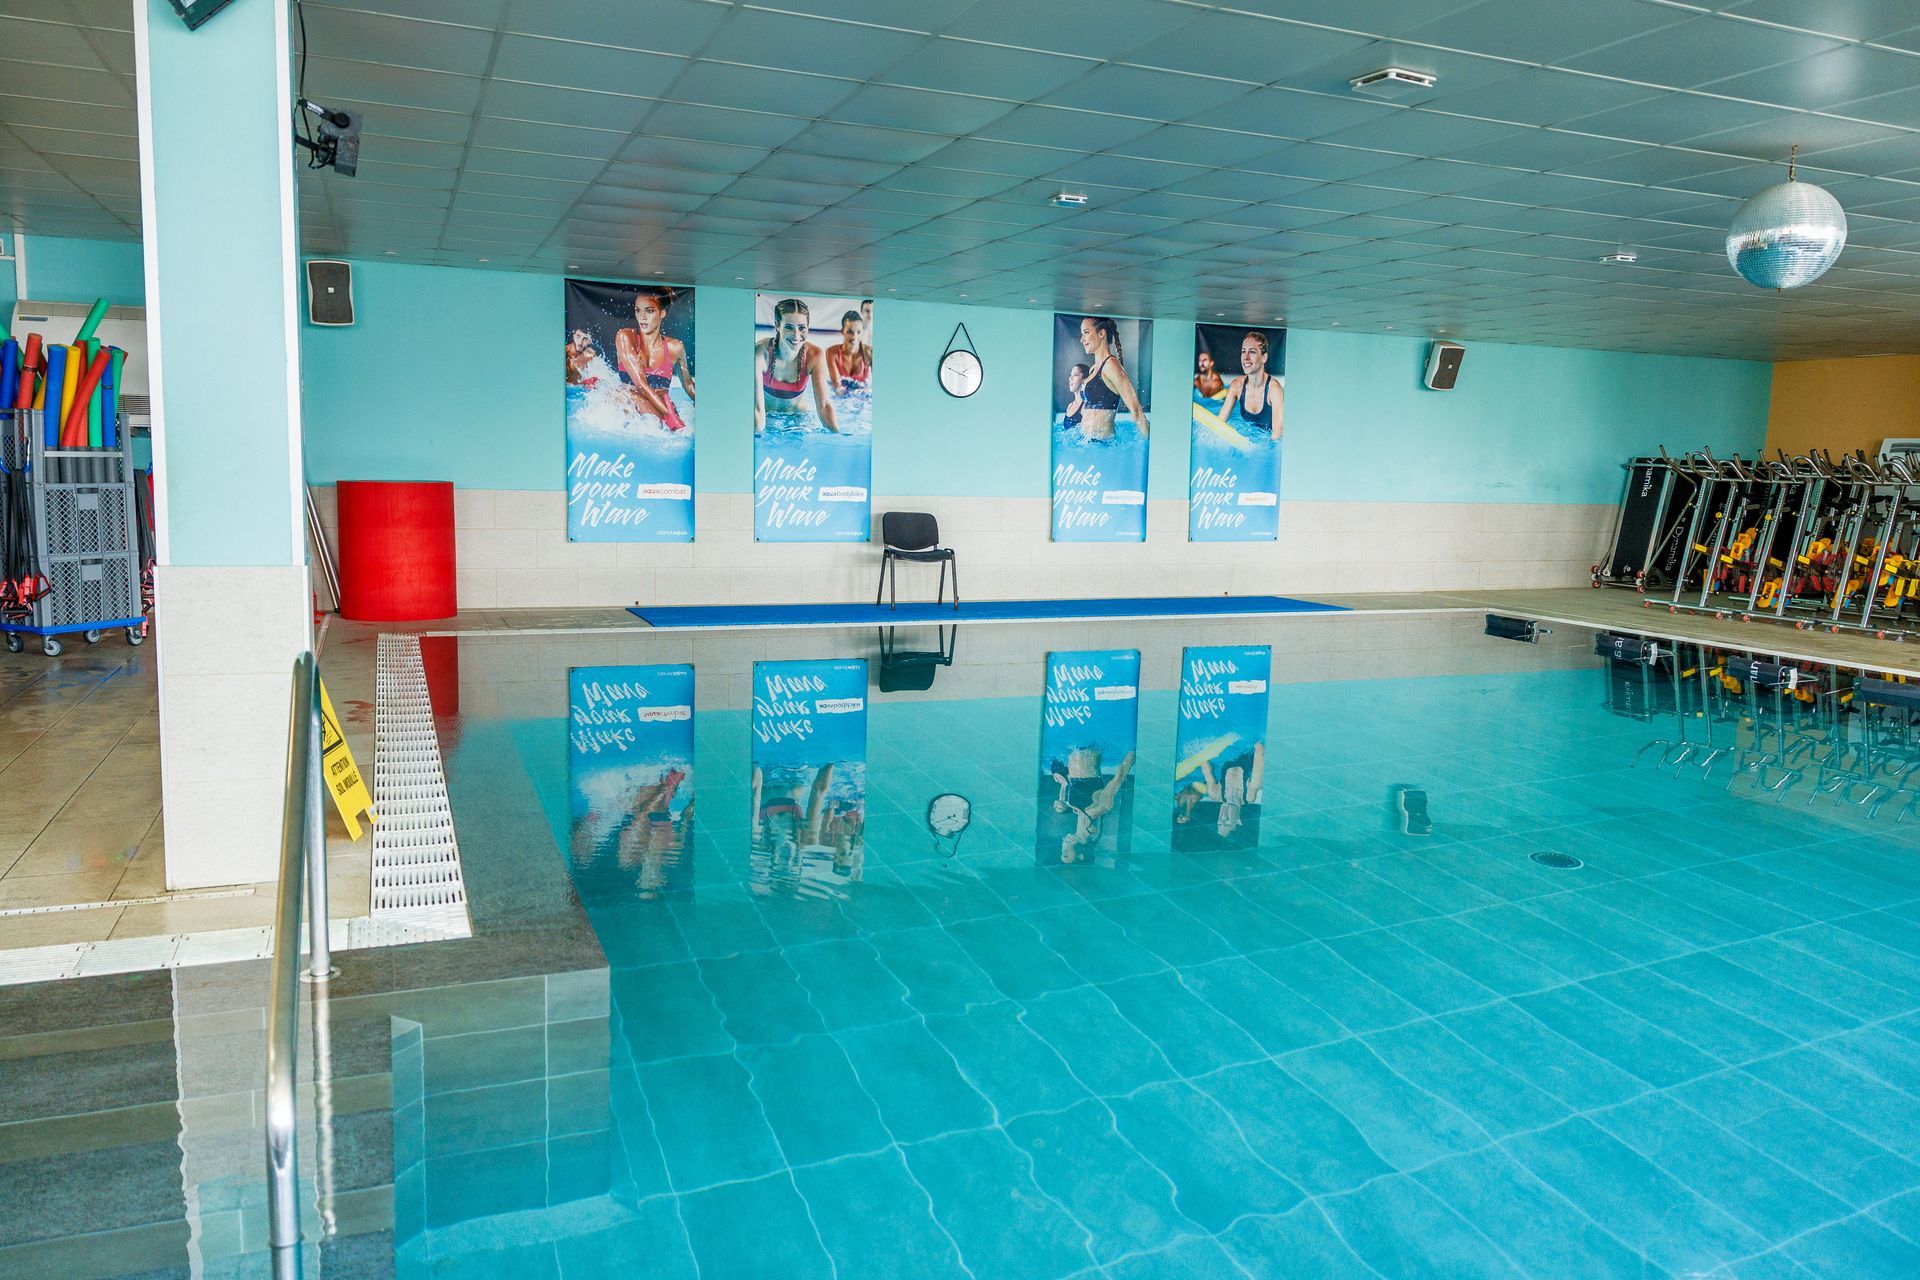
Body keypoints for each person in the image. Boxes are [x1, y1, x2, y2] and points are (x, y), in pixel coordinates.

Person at [614, 287, 694, 431]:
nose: (642, 317)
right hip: (631, 407)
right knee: (625, 394)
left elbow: (688, 386)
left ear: (662, 313)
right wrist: (668, 415)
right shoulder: (625, 337)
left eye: (649, 311)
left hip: (659, 410)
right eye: (638, 310)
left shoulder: (675, 348)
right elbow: (641, 386)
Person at [755, 297, 839, 434]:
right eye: (788, 327)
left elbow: (824, 405)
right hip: (766, 417)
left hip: (798, 420)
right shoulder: (761, 353)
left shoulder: (814, 355)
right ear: (777, 325)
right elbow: (757, 409)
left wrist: (836, 436)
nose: (796, 335)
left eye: (802, 328)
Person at [1050, 748, 1135, 864]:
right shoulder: (1099, 807)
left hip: (1074, 749)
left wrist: (1066, 805)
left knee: (1056, 770)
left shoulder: (1082, 812)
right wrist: (1136, 750)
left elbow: (1072, 790)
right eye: (1065, 853)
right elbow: (1119, 777)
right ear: (1081, 856)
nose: (1062, 847)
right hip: (1086, 747)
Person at [1075, 315, 1149, 441]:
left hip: (1102, 445)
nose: (1082, 339)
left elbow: (1136, 410)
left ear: (1101, 334)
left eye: (1086, 333)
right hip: (1087, 441)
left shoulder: (1111, 365)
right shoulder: (1093, 368)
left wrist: (1151, 448)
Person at [1214, 331, 1281, 440]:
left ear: (1264, 358)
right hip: (1249, 439)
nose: (1246, 358)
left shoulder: (1274, 390)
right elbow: (1219, 425)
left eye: (1252, 352)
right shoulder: (1237, 386)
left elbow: (1277, 434)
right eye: (1243, 351)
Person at [825, 309, 871, 393]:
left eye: (858, 332)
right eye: (850, 332)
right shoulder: (832, 353)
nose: (854, 337)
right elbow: (837, 386)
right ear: (842, 331)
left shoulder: (869, 352)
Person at [1063, 363, 1089, 429]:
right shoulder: (1070, 406)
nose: (1070, 378)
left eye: (1075, 375)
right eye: (1071, 375)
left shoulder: (1086, 406)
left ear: (1084, 379)